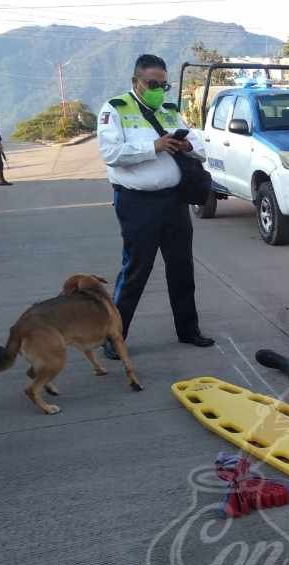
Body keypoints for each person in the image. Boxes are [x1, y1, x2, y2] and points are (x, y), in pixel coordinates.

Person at [96, 53, 213, 360]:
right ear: (136, 81)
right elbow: (111, 153)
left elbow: (199, 145)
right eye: (152, 83)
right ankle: (114, 338)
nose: (159, 89)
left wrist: (186, 145)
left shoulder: (170, 110)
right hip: (138, 203)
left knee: (181, 268)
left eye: (163, 83)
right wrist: (154, 146)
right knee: (136, 270)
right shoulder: (115, 109)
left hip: (174, 202)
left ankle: (189, 330)